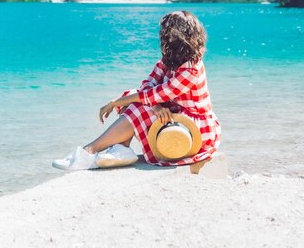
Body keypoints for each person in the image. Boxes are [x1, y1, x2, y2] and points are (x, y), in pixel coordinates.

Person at [52, 10, 221, 171]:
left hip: (197, 128)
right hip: (175, 116)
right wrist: (155, 106)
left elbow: (157, 94)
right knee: (134, 97)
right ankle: (121, 149)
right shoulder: (170, 60)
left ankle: (88, 152)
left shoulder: (191, 69)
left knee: (137, 103)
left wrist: (115, 103)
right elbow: (148, 85)